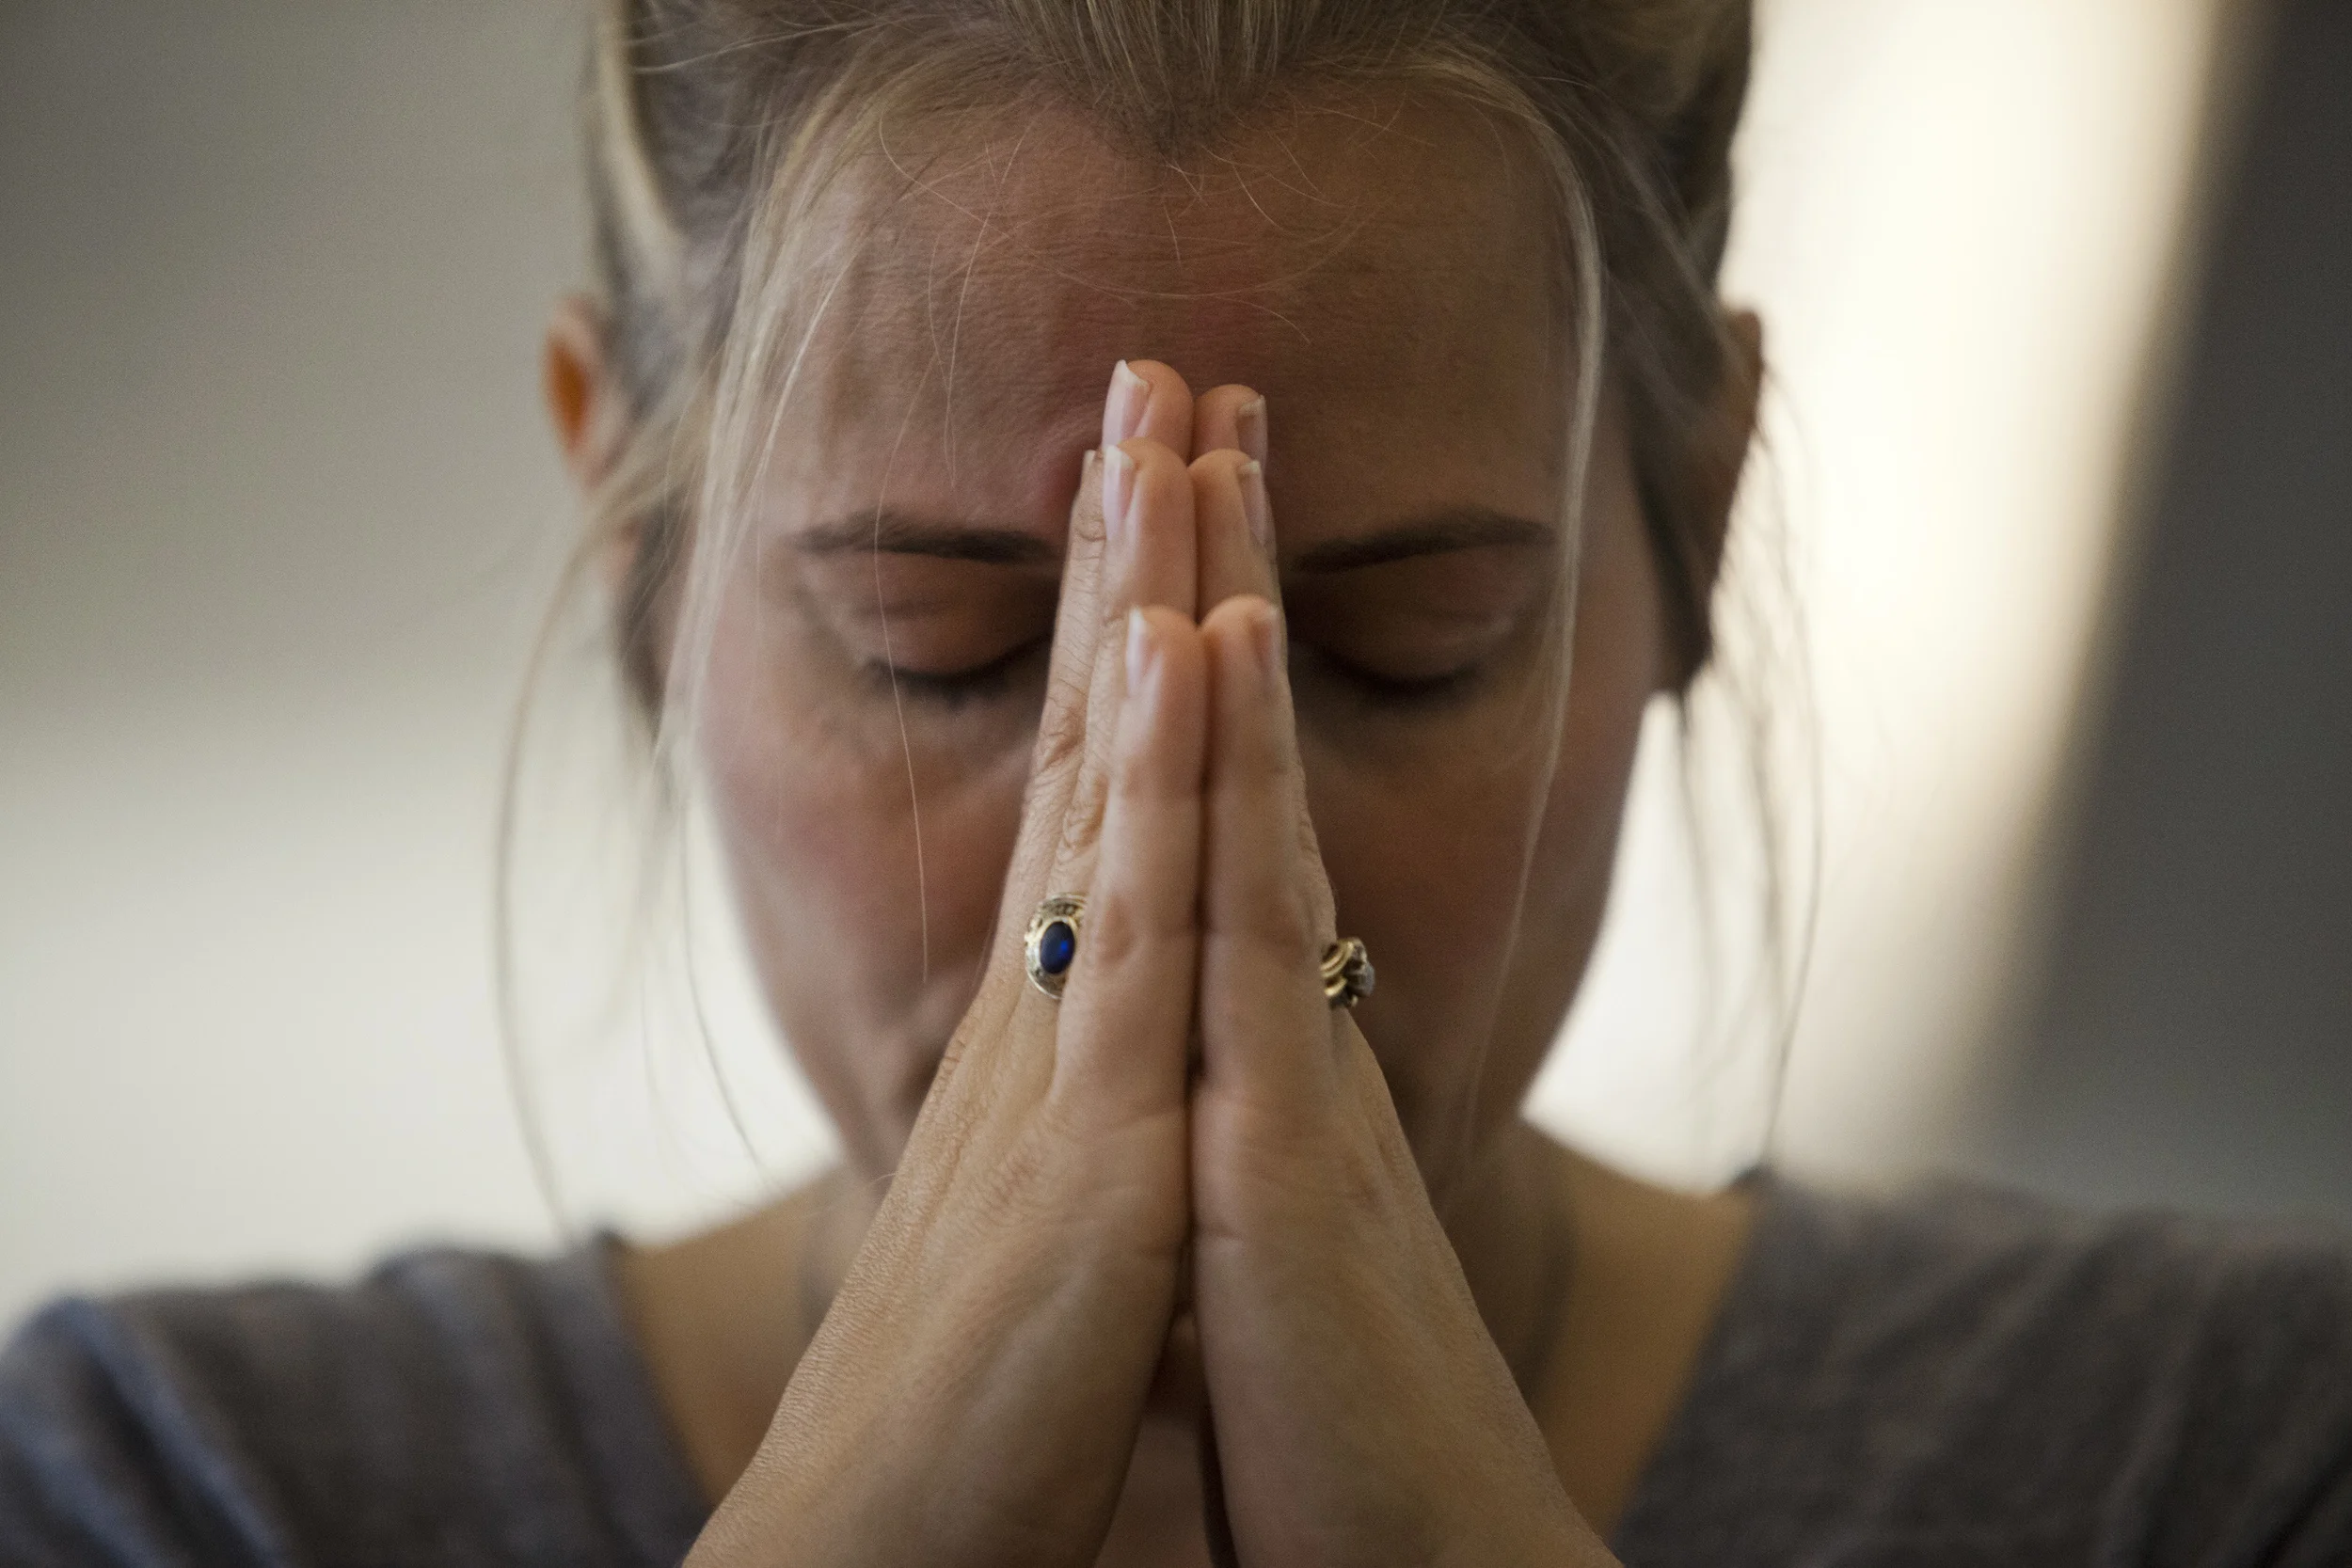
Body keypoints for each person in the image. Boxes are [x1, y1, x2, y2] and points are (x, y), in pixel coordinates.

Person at [6, 1, 2351, 1563]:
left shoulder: (2212, 1463)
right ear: (637, 551)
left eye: (1403, 644)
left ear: (1701, 523)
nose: (1153, 865)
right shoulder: (178, 1490)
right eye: (939, 646)